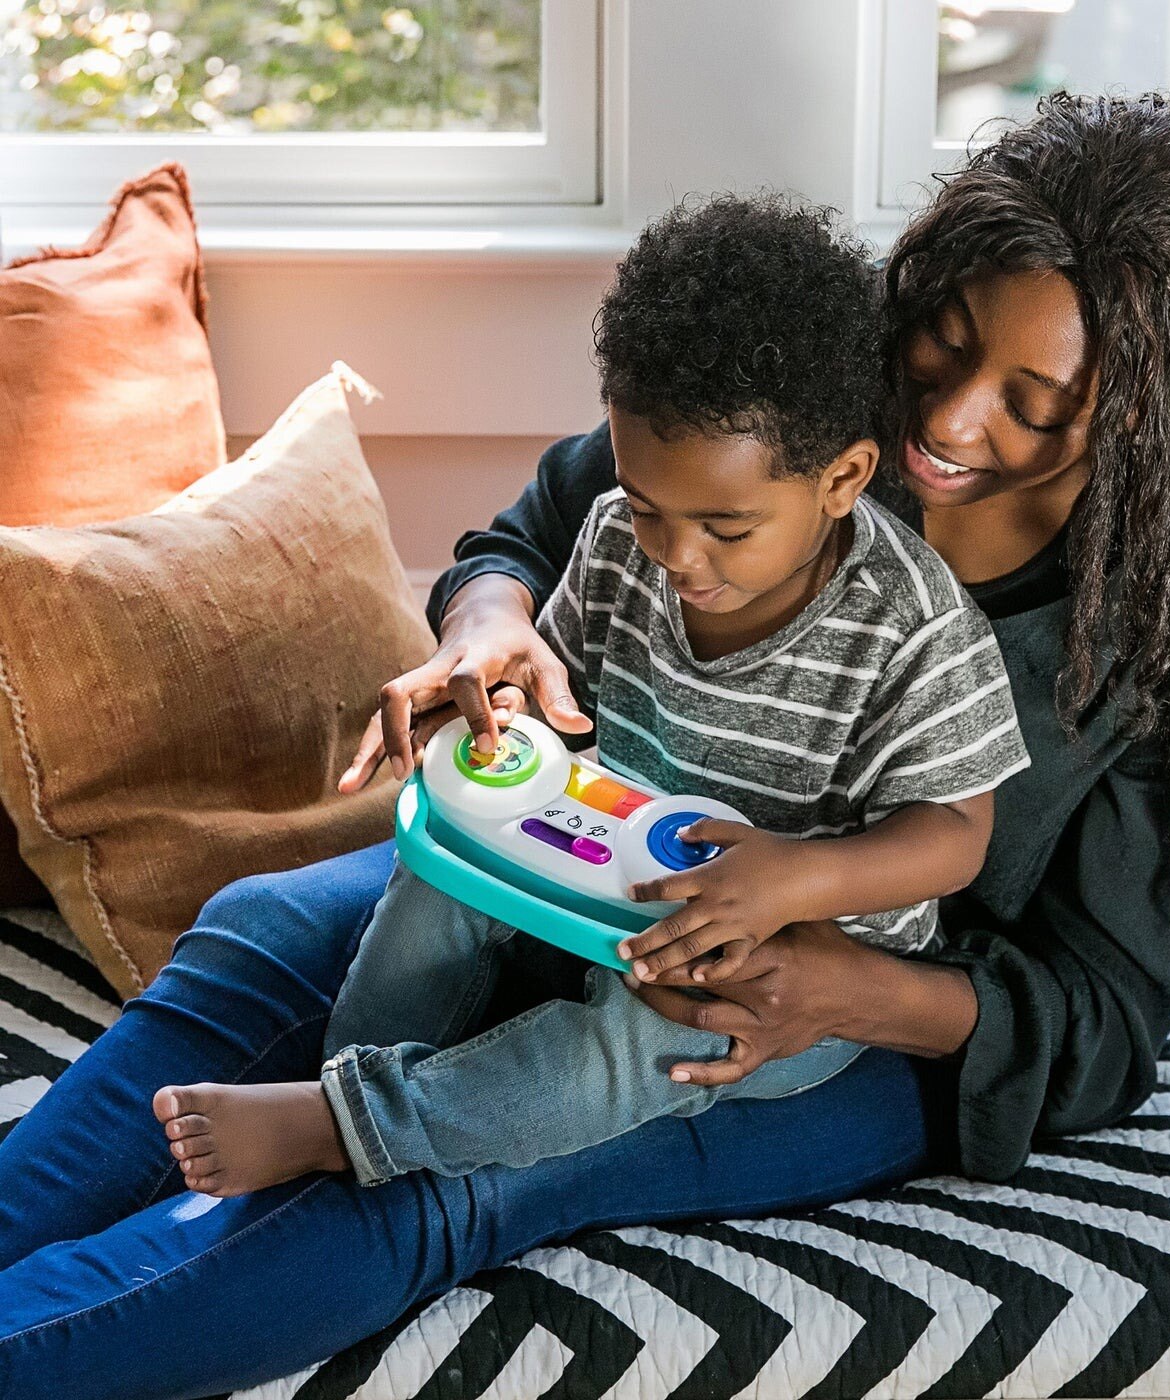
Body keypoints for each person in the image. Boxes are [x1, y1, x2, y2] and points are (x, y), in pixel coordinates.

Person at [0, 94, 1170, 1399]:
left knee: (463, 1168)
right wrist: (491, 629)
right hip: (601, 868)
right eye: (945, 346)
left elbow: (1104, 1018)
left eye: (1036, 398)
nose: (949, 422)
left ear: (1144, 403)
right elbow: (539, 532)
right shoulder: (813, 410)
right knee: (264, 934)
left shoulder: (1162, 636)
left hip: (839, 1013)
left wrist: (836, 989)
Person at [149, 195, 1027, 1197]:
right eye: (651, 506)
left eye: (726, 527)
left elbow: (952, 834)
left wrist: (790, 879)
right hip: (604, 870)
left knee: (629, 1045)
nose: (679, 556)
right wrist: (504, 737)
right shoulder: (618, 535)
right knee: (438, 877)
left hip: (780, 946)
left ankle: (353, 1127)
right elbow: (560, 702)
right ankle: (349, 1075)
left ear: (842, 478)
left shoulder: (912, 628)